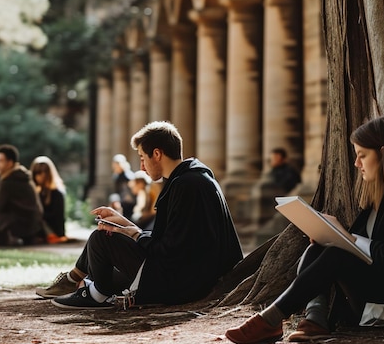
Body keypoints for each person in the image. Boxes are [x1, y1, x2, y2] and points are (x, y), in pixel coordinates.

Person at [225, 116, 384, 344]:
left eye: (362, 156)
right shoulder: (382, 193)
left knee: (338, 253)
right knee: (318, 248)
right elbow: (368, 251)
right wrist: (332, 235)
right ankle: (314, 319)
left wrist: (346, 237)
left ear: (383, 152)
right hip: (381, 296)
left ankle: (272, 318)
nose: (357, 164)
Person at [43, 121, 243, 309]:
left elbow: (170, 248)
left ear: (156, 154)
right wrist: (123, 224)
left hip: (183, 283)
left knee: (101, 238)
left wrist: (134, 235)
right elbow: (175, 242)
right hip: (189, 276)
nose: (141, 167)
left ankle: (97, 294)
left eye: (142, 157)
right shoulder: (193, 178)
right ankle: (88, 285)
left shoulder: (186, 185)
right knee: (108, 243)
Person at [30, 155, 68, 244]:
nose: (41, 176)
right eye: (37, 173)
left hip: (53, 231)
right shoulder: (37, 193)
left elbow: (56, 217)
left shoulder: (56, 193)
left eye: (44, 173)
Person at [111, 153, 136, 220]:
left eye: (118, 164)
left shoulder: (129, 176)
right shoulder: (116, 177)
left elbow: (133, 190)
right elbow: (116, 190)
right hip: (122, 201)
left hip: (131, 202)